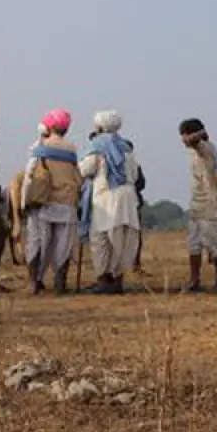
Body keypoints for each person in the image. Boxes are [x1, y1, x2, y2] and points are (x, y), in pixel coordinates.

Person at [78, 110, 142, 294]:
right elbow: (135, 174)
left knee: (100, 240)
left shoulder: (97, 147)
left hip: (106, 197)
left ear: (99, 127)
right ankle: (116, 280)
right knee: (120, 241)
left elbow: (84, 170)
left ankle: (103, 280)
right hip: (128, 198)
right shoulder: (127, 149)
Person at [20, 109, 83, 293]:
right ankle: (60, 284)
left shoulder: (40, 148)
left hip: (44, 202)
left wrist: (24, 203)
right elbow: (78, 177)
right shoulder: (72, 149)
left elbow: (30, 176)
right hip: (67, 203)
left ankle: (34, 282)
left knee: (38, 243)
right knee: (63, 246)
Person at [178, 118, 217, 292]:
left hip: (210, 202)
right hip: (196, 202)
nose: (182, 141)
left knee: (213, 244)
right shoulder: (193, 151)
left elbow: (194, 142)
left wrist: (195, 135)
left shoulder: (205, 148)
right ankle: (194, 280)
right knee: (194, 243)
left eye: (182, 135)